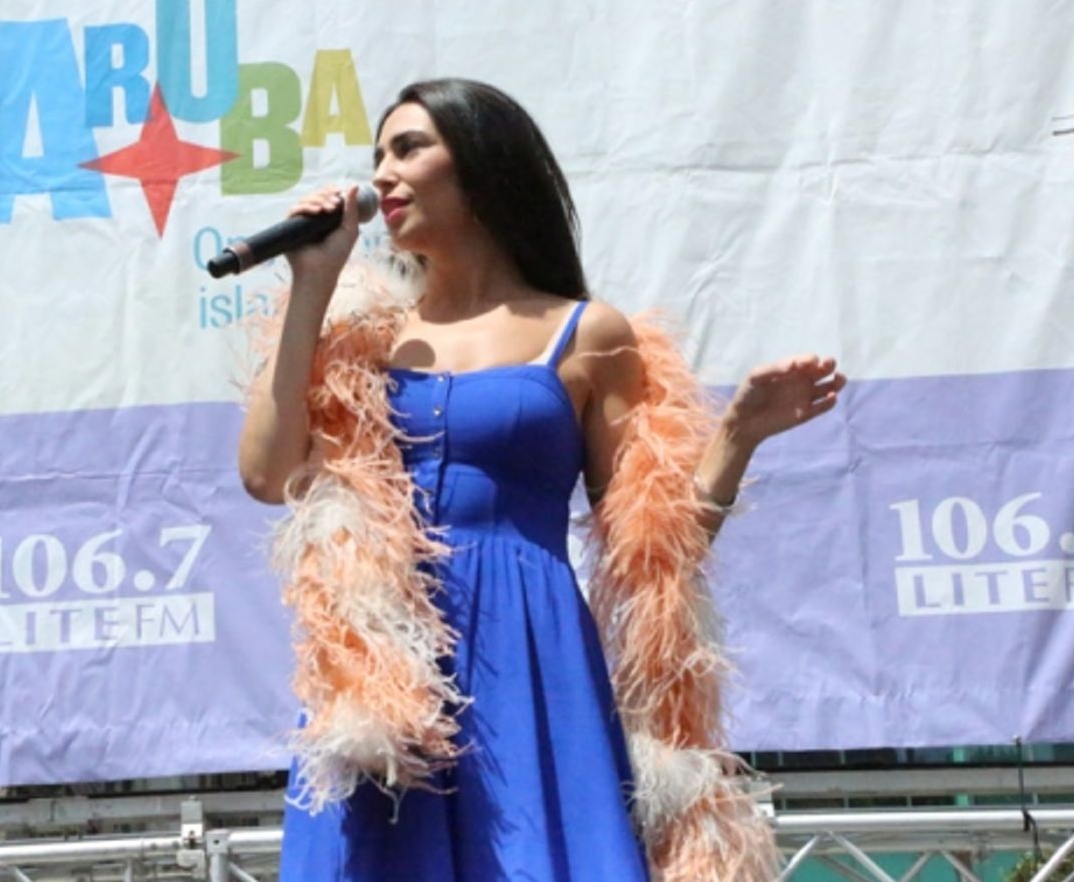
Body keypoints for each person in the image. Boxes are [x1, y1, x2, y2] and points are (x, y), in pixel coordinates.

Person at [238, 78, 845, 882]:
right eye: (378, 153)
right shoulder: (361, 338)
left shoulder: (587, 332)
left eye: (409, 148)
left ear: (482, 165)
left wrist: (737, 436)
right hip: (383, 664)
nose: (382, 173)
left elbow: (651, 555)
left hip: (528, 652)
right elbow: (267, 473)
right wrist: (312, 282)